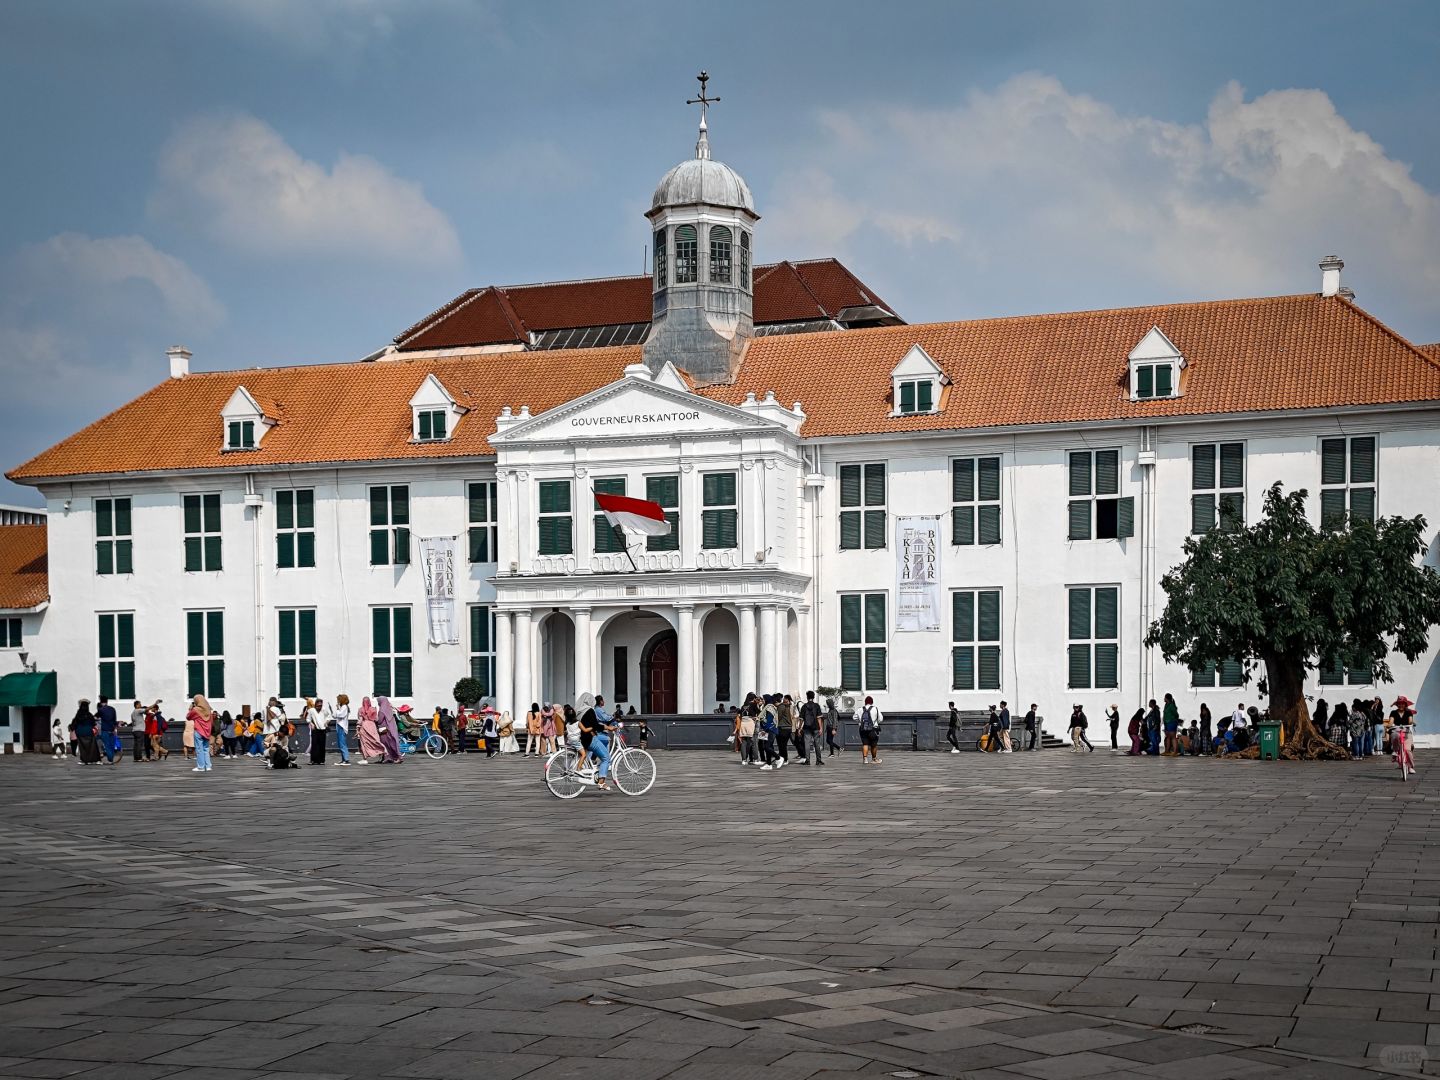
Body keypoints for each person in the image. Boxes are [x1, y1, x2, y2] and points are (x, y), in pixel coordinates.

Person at [577, 699, 614, 790]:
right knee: (606, 758)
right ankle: (601, 782)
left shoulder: (579, 711)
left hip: (580, 739)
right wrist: (608, 727)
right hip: (589, 739)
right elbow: (595, 725)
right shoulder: (590, 710)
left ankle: (593, 763)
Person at [187, 695, 214, 772]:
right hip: (207, 732)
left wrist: (190, 708)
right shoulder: (209, 710)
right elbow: (211, 722)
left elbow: (188, 717)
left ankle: (201, 767)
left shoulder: (196, 709)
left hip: (198, 731)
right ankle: (208, 766)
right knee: (206, 749)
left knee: (199, 749)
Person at [1392, 695, 1417, 778]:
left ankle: (1410, 767)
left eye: (1402, 703)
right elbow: (1391, 721)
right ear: (1397, 704)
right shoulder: (1393, 712)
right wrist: (1389, 725)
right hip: (1397, 730)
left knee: (1408, 750)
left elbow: (1410, 720)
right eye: (1399, 703)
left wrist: (1411, 723)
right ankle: (1395, 751)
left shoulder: (1408, 712)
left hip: (1406, 731)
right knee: (1394, 735)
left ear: (1405, 704)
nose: (1401, 705)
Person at [855, 695, 883, 764]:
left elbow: (854, 717)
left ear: (865, 702)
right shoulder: (875, 709)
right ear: (872, 702)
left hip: (862, 729)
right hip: (873, 729)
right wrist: (875, 722)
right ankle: (874, 759)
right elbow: (880, 719)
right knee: (874, 745)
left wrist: (860, 722)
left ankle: (865, 759)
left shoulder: (860, 709)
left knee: (865, 744)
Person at [798, 691, 824, 765]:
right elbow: (819, 718)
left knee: (807, 744)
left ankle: (807, 760)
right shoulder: (816, 706)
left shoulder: (804, 706)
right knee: (817, 744)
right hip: (816, 727)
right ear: (814, 697)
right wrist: (821, 728)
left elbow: (801, 719)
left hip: (806, 727)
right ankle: (818, 760)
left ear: (807, 697)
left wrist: (799, 728)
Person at [71, 700, 101, 765]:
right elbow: (93, 723)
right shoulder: (89, 715)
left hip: (80, 732)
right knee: (92, 747)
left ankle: (84, 760)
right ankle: (94, 759)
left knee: (82, 747)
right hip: (89, 732)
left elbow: (74, 724)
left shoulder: (78, 714)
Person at [376, 697, 403, 763]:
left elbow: (379, 720)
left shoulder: (382, 710)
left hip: (384, 730)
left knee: (386, 743)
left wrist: (374, 719)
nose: (378, 703)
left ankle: (397, 757)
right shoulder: (389, 708)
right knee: (392, 742)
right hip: (392, 728)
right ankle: (390, 757)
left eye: (378, 701)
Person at [305, 698, 329, 765]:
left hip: (322, 729)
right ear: (315, 705)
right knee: (314, 744)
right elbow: (308, 719)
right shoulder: (311, 710)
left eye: (320, 705)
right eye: (318, 706)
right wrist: (311, 723)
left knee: (322, 745)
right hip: (315, 729)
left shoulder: (324, 710)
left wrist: (327, 722)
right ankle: (313, 760)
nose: (319, 707)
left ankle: (321, 760)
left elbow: (328, 717)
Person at [96, 697, 120, 765]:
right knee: (112, 745)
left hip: (105, 730)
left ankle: (110, 759)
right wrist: (115, 729)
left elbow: (95, 717)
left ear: (101, 702)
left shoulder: (101, 710)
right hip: (112, 729)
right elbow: (115, 720)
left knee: (107, 746)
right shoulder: (112, 709)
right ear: (107, 701)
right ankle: (111, 759)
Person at [775, 694, 795, 763]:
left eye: (785, 698)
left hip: (782, 727)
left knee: (781, 745)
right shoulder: (790, 706)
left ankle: (784, 759)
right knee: (784, 744)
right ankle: (784, 759)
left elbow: (778, 717)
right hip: (789, 727)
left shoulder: (781, 706)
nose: (783, 699)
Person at [332, 694, 351, 765]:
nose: (337, 701)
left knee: (342, 743)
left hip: (342, 727)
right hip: (340, 726)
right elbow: (336, 715)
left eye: (338, 699)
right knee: (340, 743)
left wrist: (337, 709)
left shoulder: (344, 707)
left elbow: (341, 715)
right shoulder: (343, 707)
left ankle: (346, 760)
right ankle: (343, 759)